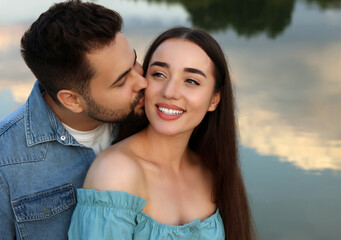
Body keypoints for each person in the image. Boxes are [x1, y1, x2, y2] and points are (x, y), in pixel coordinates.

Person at [68, 27, 255, 240]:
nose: (169, 92)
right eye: (159, 74)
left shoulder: (211, 169)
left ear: (214, 99)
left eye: (191, 81)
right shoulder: (117, 172)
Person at [0, 1, 147, 239]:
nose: (143, 82)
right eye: (121, 81)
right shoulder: (5, 164)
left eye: (135, 62)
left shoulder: (151, 117)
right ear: (72, 100)